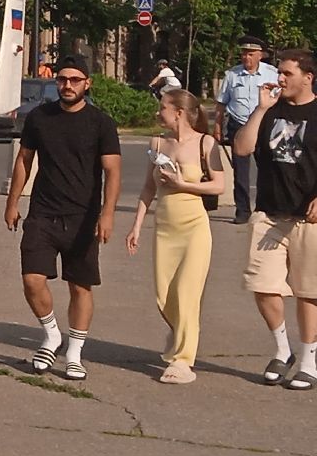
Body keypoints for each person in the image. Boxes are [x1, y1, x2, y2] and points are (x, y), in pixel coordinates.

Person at [4, 54, 122, 381]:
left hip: (83, 218)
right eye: (62, 79)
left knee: (80, 286)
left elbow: (113, 172)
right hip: (43, 213)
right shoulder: (40, 118)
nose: (67, 85)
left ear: (87, 83)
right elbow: (24, 160)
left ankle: (74, 353)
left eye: (74, 80)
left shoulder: (101, 123)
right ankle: (52, 334)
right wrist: (12, 202)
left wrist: (107, 214)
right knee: (32, 280)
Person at [125, 90, 223, 383]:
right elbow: (148, 188)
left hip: (195, 227)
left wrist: (183, 184)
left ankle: (182, 362)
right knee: (164, 294)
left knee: (187, 293)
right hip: (165, 229)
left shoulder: (206, 143)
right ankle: (179, 331)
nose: (158, 113)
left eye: (163, 108)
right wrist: (136, 226)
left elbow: (218, 186)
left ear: (179, 112)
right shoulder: (157, 143)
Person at [233, 48, 317, 390]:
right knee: (263, 286)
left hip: (308, 219)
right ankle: (283, 350)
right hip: (269, 214)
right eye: (279, 72)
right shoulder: (270, 110)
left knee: (308, 291)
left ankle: (309, 361)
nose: (279, 79)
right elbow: (241, 148)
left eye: (287, 73)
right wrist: (260, 109)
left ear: (308, 77)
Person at [216, 36, 280, 225]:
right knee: (240, 172)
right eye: (244, 53)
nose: (246, 57)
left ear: (260, 55)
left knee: (267, 168)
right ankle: (242, 210)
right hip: (239, 125)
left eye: (251, 54)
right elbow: (221, 104)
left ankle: (265, 208)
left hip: (264, 126)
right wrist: (217, 127)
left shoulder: (272, 74)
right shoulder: (232, 75)